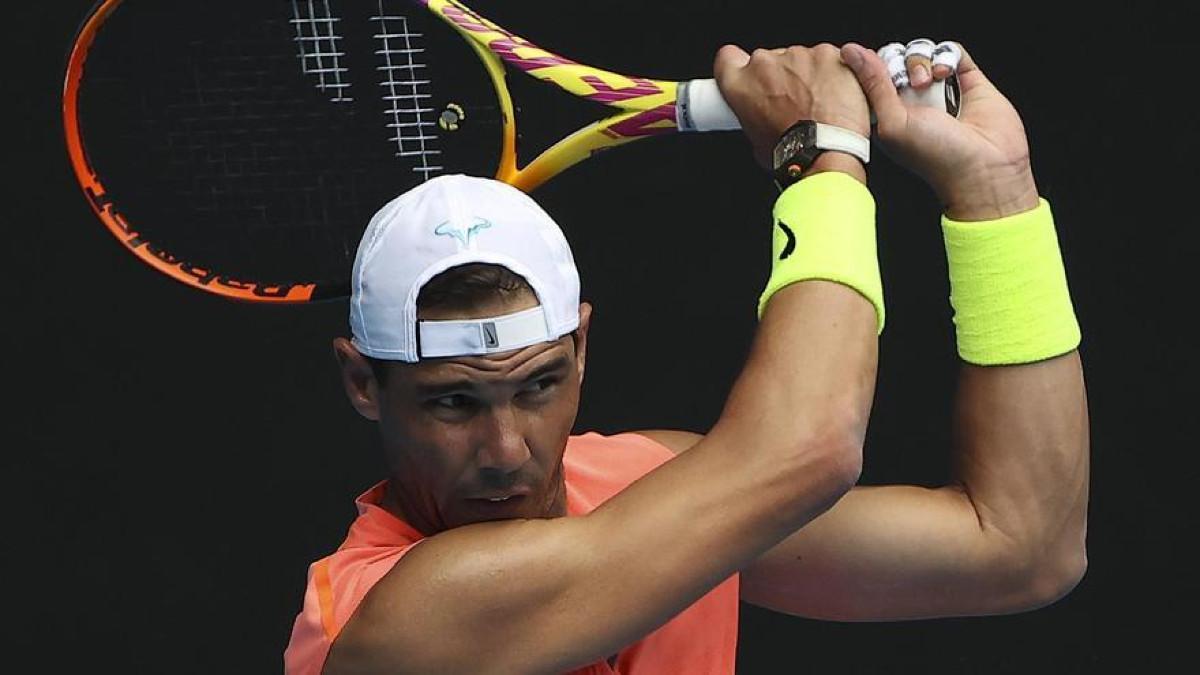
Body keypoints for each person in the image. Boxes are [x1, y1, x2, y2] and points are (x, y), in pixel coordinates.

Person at [284, 38, 1089, 674]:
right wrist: (822, 158)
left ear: (583, 348)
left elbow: (1020, 548)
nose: (506, 451)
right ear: (364, 383)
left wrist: (996, 197)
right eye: (453, 401)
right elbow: (806, 452)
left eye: (539, 385)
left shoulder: (648, 484)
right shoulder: (389, 617)